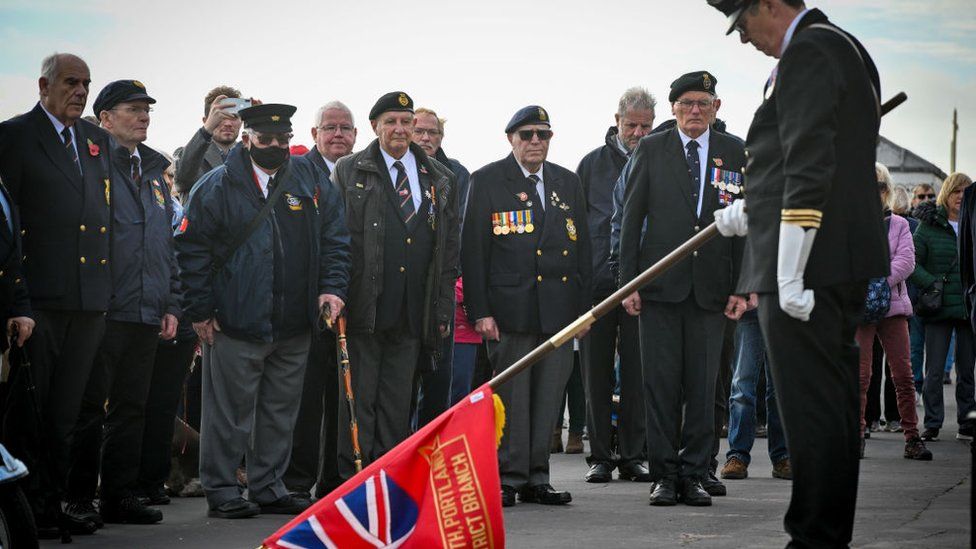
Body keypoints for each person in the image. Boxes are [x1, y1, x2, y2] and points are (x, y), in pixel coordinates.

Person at [709, 1, 888, 546]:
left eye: (742, 23)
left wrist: (789, 268)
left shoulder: (809, 50)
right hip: (831, 256)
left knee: (811, 412)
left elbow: (810, 163)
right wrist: (755, 207)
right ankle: (823, 533)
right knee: (830, 410)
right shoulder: (842, 45)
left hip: (809, 261)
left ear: (767, 4)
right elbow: (803, 156)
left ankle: (814, 536)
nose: (743, 39)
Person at [175, 103, 351, 519]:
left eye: (281, 139)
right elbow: (191, 250)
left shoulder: (308, 179)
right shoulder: (216, 186)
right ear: (246, 138)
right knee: (229, 414)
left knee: (278, 413)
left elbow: (335, 238)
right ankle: (221, 489)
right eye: (265, 139)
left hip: (293, 323)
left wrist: (331, 287)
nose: (274, 146)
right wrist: (199, 311)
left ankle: (268, 486)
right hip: (237, 320)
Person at [619, 71, 746, 507]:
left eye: (704, 103)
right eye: (688, 103)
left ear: (717, 108)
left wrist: (743, 288)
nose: (696, 110)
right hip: (659, 289)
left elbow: (748, 228)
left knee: (703, 387)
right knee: (660, 387)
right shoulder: (652, 147)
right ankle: (664, 475)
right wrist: (628, 284)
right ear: (673, 108)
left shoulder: (735, 151)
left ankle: (694, 473)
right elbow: (631, 219)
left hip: (713, 291)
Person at [0, 52, 113, 537]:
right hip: (39, 298)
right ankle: (21, 510)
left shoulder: (94, 139)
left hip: (88, 300)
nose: (81, 92)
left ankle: (52, 502)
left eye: (87, 83)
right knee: (30, 411)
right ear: (44, 84)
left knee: (68, 411)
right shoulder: (15, 135)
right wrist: (16, 300)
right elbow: (10, 228)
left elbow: (103, 219)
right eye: (71, 82)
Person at [462, 105, 592, 508]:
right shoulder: (486, 180)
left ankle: (538, 476)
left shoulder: (566, 182)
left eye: (543, 134)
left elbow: (584, 250)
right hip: (509, 312)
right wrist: (480, 310)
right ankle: (507, 476)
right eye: (527, 134)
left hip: (558, 312)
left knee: (548, 396)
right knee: (513, 398)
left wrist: (583, 312)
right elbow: (474, 251)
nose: (536, 141)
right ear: (511, 139)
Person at [65, 80, 179, 525]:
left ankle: (118, 495)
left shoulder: (153, 173)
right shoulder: (91, 167)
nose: (144, 117)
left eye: (147, 110)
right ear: (106, 119)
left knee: (133, 408)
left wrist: (171, 303)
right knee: (90, 408)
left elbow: (165, 245)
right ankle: (77, 497)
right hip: (105, 309)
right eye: (133, 110)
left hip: (147, 310)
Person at [331, 92, 459, 480]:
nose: (400, 130)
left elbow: (448, 252)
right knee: (358, 403)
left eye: (407, 122)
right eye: (391, 122)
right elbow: (335, 240)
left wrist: (439, 310)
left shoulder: (439, 177)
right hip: (364, 307)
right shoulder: (349, 170)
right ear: (375, 127)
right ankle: (351, 483)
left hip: (412, 311)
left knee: (397, 404)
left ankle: (387, 480)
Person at [576, 87, 655, 484]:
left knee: (639, 371)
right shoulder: (590, 165)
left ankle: (634, 455)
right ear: (617, 122)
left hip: (644, 285)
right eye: (631, 125)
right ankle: (601, 456)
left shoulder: (661, 159)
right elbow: (572, 227)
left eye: (645, 125)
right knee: (597, 372)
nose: (638, 133)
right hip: (598, 286)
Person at [284, 100, 357, 502]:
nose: (338, 135)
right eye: (329, 127)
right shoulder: (296, 171)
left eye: (345, 128)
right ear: (314, 134)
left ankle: (333, 480)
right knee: (306, 398)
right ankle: (297, 481)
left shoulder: (363, 172)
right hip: (307, 305)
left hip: (348, 304)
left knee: (341, 397)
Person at [855, 163, 932, 460]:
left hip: (893, 308)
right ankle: (857, 434)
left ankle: (912, 437)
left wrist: (875, 279)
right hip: (861, 308)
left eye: (880, 187)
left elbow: (907, 262)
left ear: (887, 190)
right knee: (861, 376)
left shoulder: (900, 224)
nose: (876, 193)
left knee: (903, 374)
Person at [410, 107, 470, 427]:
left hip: (439, 295)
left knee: (438, 386)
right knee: (402, 388)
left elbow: (460, 235)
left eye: (433, 132)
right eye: (419, 131)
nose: (425, 137)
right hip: (405, 294)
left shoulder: (456, 174)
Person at [911, 172, 975, 441]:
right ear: (946, 194)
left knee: (967, 371)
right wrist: (932, 283)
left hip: (967, 306)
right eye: (955, 191)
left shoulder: (973, 223)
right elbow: (911, 262)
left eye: (965, 191)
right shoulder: (928, 226)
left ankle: (967, 423)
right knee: (934, 371)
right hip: (938, 308)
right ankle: (933, 423)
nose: (961, 196)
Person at [173, 85, 243, 202]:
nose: (228, 123)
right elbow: (183, 178)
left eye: (234, 117)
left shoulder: (249, 155)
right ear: (206, 121)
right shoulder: (187, 154)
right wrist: (206, 130)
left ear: (242, 121)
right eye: (221, 116)